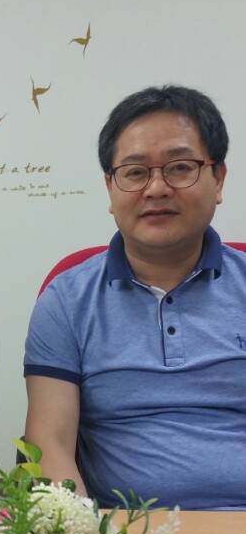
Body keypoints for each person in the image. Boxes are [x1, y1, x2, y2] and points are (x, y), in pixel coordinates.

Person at [24, 84, 246, 510]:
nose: (157, 188)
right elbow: (49, 443)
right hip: (122, 533)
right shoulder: (67, 300)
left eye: (180, 168)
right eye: (135, 172)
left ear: (218, 179)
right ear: (110, 187)